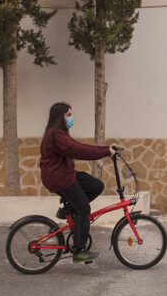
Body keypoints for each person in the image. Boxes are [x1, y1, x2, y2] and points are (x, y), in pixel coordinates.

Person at [39, 102, 117, 263]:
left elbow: (78, 146)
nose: (71, 118)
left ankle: (67, 209)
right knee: (83, 208)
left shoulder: (59, 133)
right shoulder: (56, 134)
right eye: (68, 115)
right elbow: (79, 151)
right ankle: (79, 251)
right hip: (59, 177)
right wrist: (104, 152)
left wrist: (106, 148)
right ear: (60, 116)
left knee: (96, 185)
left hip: (65, 173)